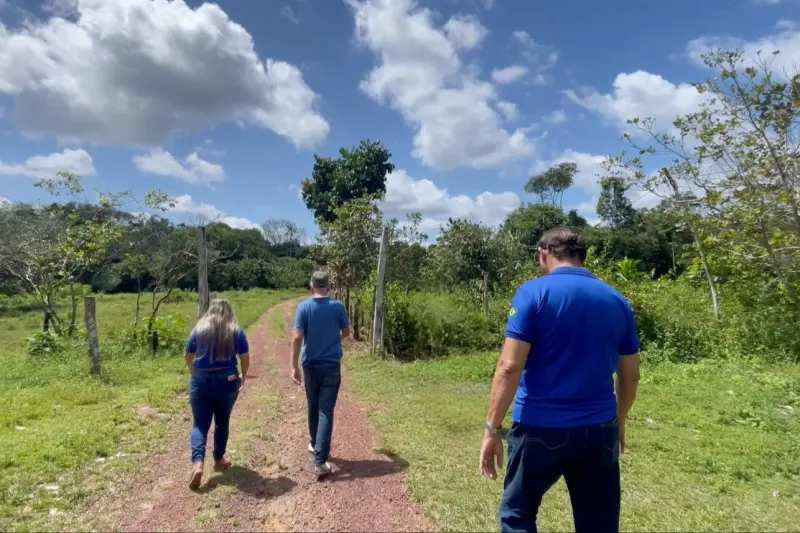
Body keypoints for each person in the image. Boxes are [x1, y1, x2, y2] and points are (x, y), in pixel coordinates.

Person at [479, 227, 641, 533]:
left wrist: (492, 429)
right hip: (599, 430)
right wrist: (618, 421)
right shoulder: (616, 300)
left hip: (538, 427)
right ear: (581, 256)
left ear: (543, 253)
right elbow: (631, 375)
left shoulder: (533, 293)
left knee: (517, 515)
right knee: (599, 524)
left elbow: (509, 367)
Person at [184, 298, 250, 490]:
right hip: (227, 379)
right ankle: (219, 459)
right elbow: (244, 357)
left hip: (201, 379)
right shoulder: (235, 331)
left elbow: (188, 354)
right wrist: (243, 375)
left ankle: (198, 463)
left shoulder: (199, 329)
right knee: (222, 420)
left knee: (200, 424)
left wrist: (193, 370)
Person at [291, 271, 350, 478]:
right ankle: (319, 460)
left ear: (311, 287)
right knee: (325, 410)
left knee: (313, 405)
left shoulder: (303, 308)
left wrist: (293, 366)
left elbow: (297, 338)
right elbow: (346, 331)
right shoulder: (338, 306)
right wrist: (333, 336)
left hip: (310, 364)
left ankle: (315, 444)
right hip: (331, 365)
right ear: (329, 287)